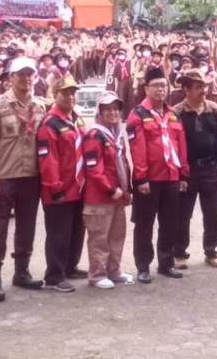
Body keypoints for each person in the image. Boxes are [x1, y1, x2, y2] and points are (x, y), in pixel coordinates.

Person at [0, 56, 47, 302]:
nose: (26, 79)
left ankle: (22, 271)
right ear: (11, 77)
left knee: (27, 226)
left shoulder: (40, 106)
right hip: (5, 176)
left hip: (31, 175)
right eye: (21, 74)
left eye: (30, 74)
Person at [126, 66, 189, 283]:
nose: (161, 89)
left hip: (171, 177)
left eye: (164, 85)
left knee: (170, 223)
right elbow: (138, 149)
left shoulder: (173, 115)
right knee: (144, 224)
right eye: (156, 86)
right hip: (149, 180)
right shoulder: (137, 115)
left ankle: (166, 263)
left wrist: (183, 175)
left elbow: (181, 147)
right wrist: (141, 178)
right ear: (146, 88)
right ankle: (143, 266)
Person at [172, 69, 217, 270]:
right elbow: (172, 144)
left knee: (213, 213)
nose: (203, 91)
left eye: (203, 86)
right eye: (198, 87)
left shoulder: (213, 109)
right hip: (187, 172)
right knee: (182, 215)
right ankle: (179, 253)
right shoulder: (176, 113)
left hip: (211, 169)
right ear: (186, 89)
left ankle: (211, 251)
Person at [36, 75, 86, 293]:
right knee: (59, 234)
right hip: (60, 189)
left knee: (76, 231)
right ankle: (54, 276)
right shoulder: (50, 123)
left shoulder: (76, 118)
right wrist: (54, 187)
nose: (70, 97)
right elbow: (48, 159)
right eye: (65, 93)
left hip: (78, 187)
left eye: (73, 92)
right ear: (55, 94)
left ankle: (70, 266)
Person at [82, 91, 134, 289]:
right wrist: (112, 189)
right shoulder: (94, 135)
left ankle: (114, 270)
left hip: (117, 196)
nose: (112, 113)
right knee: (99, 238)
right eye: (107, 109)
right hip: (100, 198)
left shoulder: (116, 134)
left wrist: (126, 189)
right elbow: (94, 169)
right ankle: (97, 275)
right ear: (99, 111)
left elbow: (123, 163)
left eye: (115, 109)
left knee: (116, 236)